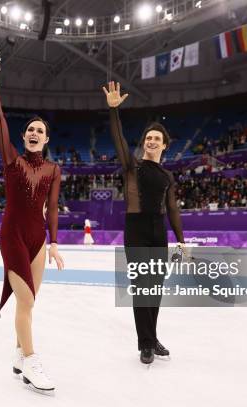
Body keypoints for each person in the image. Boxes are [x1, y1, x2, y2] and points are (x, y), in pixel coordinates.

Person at [0, 57, 64, 394]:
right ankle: (30, 360)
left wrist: (55, 243)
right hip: (12, 235)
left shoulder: (54, 170)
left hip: (38, 240)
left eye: (39, 131)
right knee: (26, 302)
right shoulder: (12, 160)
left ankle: (18, 353)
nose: (34, 133)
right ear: (24, 136)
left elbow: (53, 206)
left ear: (46, 139)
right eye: (30, 129)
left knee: (27, 303)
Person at [103, 81, 187, 365]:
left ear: (164, 145)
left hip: (158, 231)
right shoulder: (132, 165)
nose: (150, 141)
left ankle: (152, 337)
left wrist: (181, 240)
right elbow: (118, 140)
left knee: (156, 289)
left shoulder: (167, 176)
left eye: (156, 139)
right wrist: (114, 111)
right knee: (142, 288)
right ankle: (145, 344)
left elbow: (173, 208)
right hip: (136, 230)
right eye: (148, 138)